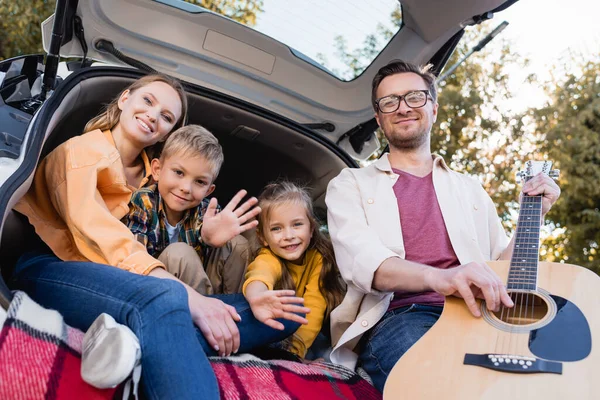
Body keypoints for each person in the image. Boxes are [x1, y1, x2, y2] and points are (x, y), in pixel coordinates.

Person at [11, 74, 303, 399]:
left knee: (284, 313)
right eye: (148, 101)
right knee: (165, 299)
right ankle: (162, 333)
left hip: (126, 285)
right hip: (53, 267)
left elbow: (170, 237)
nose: (153, 115)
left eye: (167, 117)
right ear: (125, 99)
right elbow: (102, 239)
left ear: (169, 131)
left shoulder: (153, 178)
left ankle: (143, 340)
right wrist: (187, 296)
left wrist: (208, 241)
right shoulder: (81, 153)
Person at [325, 60, 561, 392]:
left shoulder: (470, 188)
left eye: (414, 97)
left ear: (433, 108)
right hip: (403, 316)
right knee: (442, 387)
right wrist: (442, 278)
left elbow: (503, 272)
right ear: (379, 118)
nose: (403, 108)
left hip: (483, 314)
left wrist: (532, 217)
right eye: (390, 102)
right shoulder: (350, 184)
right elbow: (365, 264)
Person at [123, 124, 251, 295]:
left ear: (209, 190)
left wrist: (206, 236)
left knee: (237, 244)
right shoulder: (144, 200)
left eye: (199, 182)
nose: (186, 188)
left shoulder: (205, 209)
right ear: (157, 170)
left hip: (204, 286)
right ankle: (200, 315)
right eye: (179, 172)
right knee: (180, 254)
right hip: (154, 287)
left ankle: (234, 309)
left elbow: (206, 229)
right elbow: (135, 254)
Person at [242, 181, 345, 359]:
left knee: (327, 354)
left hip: (307, 334)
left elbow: (313, 308)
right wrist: (256, 295)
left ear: (311, 228)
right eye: (276, 228)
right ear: (263, 237)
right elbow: (259, 275)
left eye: (297, 225)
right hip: (273, 330)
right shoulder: (268, 257)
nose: (289, 236)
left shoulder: (319, 258)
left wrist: (294, 354)